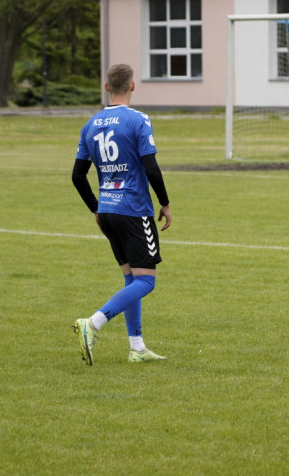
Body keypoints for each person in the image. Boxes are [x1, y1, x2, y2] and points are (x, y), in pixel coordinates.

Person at [71, 63, 172, 365]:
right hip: (134, 210)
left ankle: (137, 348)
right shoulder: (138, 119)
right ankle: (93, 323)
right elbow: (151, 166)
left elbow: (78, 176)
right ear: (132, 86)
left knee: (131, 279)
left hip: (108, 209)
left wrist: (95, 209)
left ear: (106, 88)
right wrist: (164, 203)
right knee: (147, 281)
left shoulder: (90, 125)